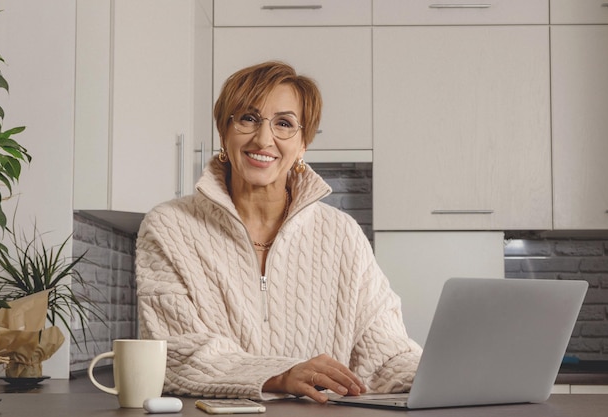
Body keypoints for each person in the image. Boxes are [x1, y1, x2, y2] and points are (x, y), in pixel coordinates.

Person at [135, 61, 423, 403]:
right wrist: (280, 375)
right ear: (223, 133)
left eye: (284, 123)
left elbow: (386, 353)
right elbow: (176, 353)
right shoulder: (169, 227)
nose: (263, 138)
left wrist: (442, 372)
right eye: (248, 118)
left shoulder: (341, 234)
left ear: (303, 144)